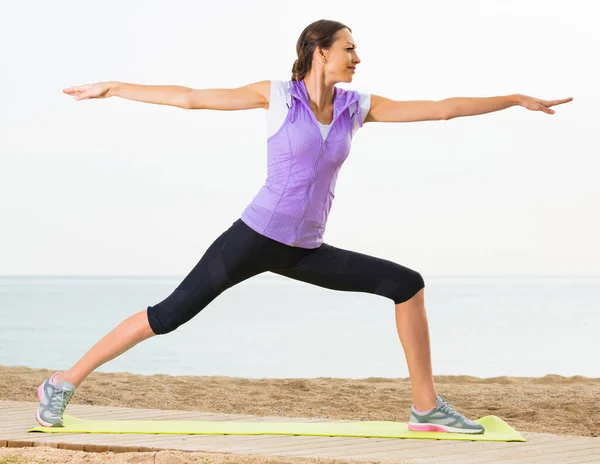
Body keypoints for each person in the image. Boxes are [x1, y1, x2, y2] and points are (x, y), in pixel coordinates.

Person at [37, 19, 572, 434]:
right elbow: (191, 97)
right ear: (320, 51)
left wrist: (515, 99)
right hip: (252, 239)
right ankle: (61, 384)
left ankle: (426, 407)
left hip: (304, 249)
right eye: (349, 49)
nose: (357, 58)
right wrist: (113, 88)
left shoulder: (355, 108)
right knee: (168, 316)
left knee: (406, 285)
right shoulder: (276, 97)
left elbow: (442, 109)